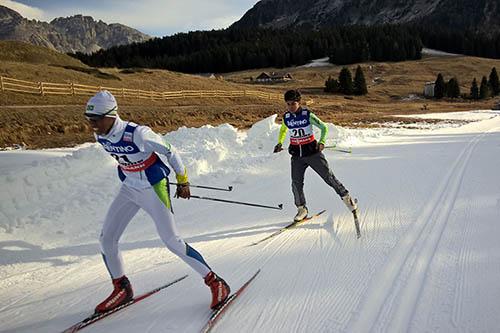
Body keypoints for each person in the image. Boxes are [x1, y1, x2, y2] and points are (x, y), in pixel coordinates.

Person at [84, 90, 230, 313]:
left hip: (153, 187)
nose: (92, 125)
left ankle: (216, 282)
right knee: (107, 240)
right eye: (89, 120)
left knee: (172, 241)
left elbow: (171, 151)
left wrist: (183, 181)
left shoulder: (138, 134)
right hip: (129, 188)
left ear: (111, 115)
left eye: (96, 120)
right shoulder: (100, 134)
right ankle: (121, 288)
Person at [273, 89, 358, 221]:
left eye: (293, 103)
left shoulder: (307, 115)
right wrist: (279, 143)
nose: (290, 107)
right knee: (296, 183)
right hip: (296, 156)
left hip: (312, 153)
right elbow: (283, 130)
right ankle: (302, 209)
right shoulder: (286, 117)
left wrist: (322, 142)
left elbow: (324, 127)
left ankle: (347, 198)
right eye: (288, 104)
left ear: (299, 102)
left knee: (328, 177)